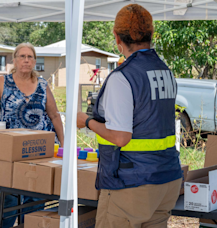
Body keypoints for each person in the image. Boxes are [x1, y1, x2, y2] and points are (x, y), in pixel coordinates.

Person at [77, 4, 182, 228]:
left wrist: (86, 121)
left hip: (132, 183)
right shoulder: (165, 71)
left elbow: (121, 137)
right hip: (167, 177)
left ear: (116, 37)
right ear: (151, 34)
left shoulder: (122, 77)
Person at [0, 42, 64, 227]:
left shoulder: (43, 85)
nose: (26, 60)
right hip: (10, 152)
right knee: (9, 197)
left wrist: (64, 144)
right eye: (22, 56)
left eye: (30, 57)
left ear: (35, 61)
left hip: (39, 152)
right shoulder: (3, 82)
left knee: (34, 196)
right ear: (14, 59)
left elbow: (54, 115)